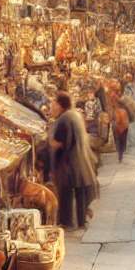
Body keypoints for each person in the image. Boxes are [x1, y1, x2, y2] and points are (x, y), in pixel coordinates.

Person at [49, 93, 98, 229]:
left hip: (69, 164)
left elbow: (59, 143)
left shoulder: (64, 119)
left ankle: (66, 222)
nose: (51, 106)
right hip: (80, 162)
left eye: (53, 103)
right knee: (79, 193)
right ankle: (81, 221)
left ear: (59, 105)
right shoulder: (75, 115)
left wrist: (51, 143)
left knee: (66, 194)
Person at [112, 94, 132, 163]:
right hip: (124, 129)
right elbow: (127, 120)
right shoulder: (124, 111)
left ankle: (120, 155)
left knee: (119, 143)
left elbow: (116, 121)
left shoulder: (117, 112)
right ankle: (121, 154)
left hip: (118, 129)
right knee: (122, 143)